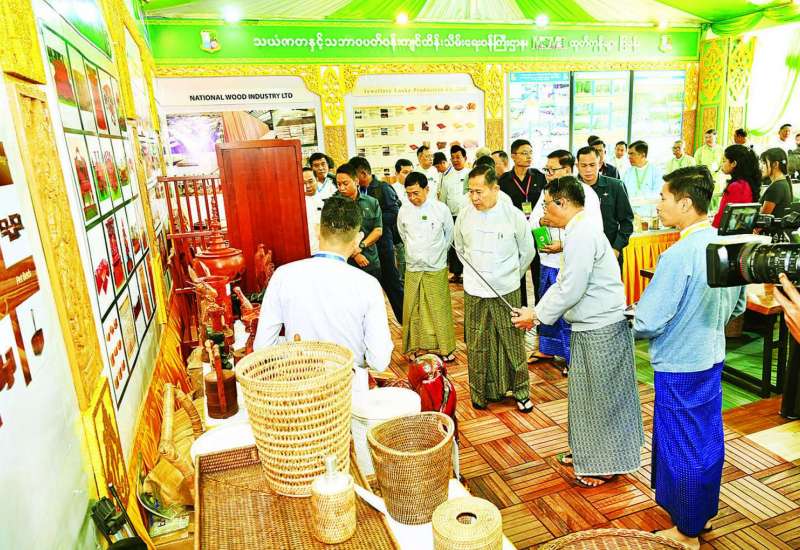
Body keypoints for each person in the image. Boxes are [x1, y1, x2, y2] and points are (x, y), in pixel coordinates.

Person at [633, 166, 745, 550]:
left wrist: (633, 321)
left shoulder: (678, 255)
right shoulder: (726, 247)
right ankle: (703, 514)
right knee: (706, 438)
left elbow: (648, 320)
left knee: (681, 445)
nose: (658, 204)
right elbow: (738, 307)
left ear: (685, 203)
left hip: (680, 364)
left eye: (664, 198)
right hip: (711, 357)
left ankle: (686, 531)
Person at [511, 176, 643, 488]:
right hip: (588, 326)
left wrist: (536, 315)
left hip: (601, 329)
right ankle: (587, 452)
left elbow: (571, 287)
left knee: (602, 400)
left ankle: (605, 464)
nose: (545, 211)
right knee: (586, 397)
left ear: (563, 203)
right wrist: (538, 313)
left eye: (547, 205)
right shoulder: (578, 230)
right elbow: (565, 284)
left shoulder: (582, 233)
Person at [254, 195, 393, 379]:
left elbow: (262, 347)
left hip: (299, 384)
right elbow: (379, 360)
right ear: (358, 238)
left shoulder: (283, 275)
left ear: (317, 230)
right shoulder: (368, 285)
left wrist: (295, 346)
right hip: (348, 387)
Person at [455, 165, 535, 412]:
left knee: (512, 341)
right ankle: (480, 393)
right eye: (471, 192)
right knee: (477, 343)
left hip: (506, 288)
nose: (474, 197)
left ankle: (521, 392)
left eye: (479, 192)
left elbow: (527, 252)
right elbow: (460, 248)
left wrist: (510, 276)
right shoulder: (465, 214)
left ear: (495, 189)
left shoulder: (513, 215)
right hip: (474, 290)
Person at [529, 149, 602, 368]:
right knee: (548, 302)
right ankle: (548, 349)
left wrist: (563, 245)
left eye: (552, 170)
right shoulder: (547, 191)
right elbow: (533, 220)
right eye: (546, 170)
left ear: (568, 170)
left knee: (569, 309)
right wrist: (542, 221)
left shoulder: (585, 193)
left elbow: (593, 230)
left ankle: (574, 359)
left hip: (570, 259)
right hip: (547, 260)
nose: (548, 174)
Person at [397, 172, 456, 362]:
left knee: (438, 308)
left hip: (435, 266)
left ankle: (445, 348)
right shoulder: (403, 210)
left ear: (427, 189)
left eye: (416, 193)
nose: (412, 198)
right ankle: (415, 347)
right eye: (408, 194)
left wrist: (437, 253)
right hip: (413, 266)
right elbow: (403, 235)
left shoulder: (441, 209)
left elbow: (449, 236)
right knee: (413, 308)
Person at [349, 156, 405, 323]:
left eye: (354, 176)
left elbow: (394, 213)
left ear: (363, 173)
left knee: (393, 285)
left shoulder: (382, 188)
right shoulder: (355, 193)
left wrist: (375, 221)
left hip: (382, 245)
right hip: (363, 249)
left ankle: (406, 321)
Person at [499, 138, 547, 306]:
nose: (529, 156)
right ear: (513, 156)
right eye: (524, 153)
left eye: (530, 153)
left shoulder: (539, 177)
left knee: (539, 270)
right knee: (517, 269)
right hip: (515, 231)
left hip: (537, 229)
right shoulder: (504, 180)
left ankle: (541, 310)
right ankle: (521, 308)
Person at [577, 146, 634, 268]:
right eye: (584, 165)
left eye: (592, 165)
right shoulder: (571, 189)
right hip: (579, 253)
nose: (588, 170)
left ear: (600, 164)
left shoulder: (616, 186)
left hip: (610, 252)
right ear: (577, 166)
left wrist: (616, 249)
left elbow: (626, 222)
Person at [335, 164, 383, 280]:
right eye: (338, 184)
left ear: (356, 181)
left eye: (345, 183)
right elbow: (336, 234)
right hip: (346, 263)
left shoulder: (372, 202)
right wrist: (355, 254)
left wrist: (361, 246)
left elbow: (378, 230)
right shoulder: (333, 205)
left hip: (370, 260)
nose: (341, 188)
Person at [439, 145, 471, 283]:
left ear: (465, 158)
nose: (455, 160)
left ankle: (468, 271)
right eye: (453, 158)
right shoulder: (446, 177)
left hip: (468, 215)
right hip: (452, 216)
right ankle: (456, 273)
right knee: (454, 244)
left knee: (467, 242)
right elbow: (443, 198)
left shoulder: (471, 174)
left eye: (458, 157)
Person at [712, 145, 761, 228]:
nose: (721, 164)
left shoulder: (736, 186)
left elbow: (721, 218)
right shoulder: (747, 183)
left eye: (724, 161)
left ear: (734, 163)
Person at [623, 140, 662, 217]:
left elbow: (658, 193)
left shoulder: (656, 171)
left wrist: (641, 198)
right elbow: (623, 192)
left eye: (632, 154)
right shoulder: (628, 172)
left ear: (642, 155)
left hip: (649, 215)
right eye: (628, 154)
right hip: (630, 214)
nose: (629, 157)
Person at [759, 147, 794, 218]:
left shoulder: (776, 187)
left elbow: (762, 218)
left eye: (764, 163)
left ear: (775, 164)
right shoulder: (783, 183)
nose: (761, 167)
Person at [303, 167, 324, 254]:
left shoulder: (325, 199)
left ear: (317, 179)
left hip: (324, 250)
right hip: (307, 250)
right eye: (304, 183)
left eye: (310, 181)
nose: (308, 186)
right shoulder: (298, 204)